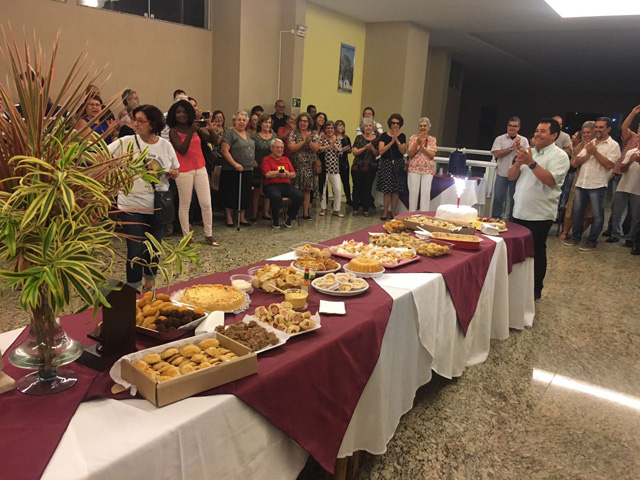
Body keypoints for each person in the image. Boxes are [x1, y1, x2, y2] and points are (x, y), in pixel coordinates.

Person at [108, 104, 180, 291]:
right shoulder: (126, 142)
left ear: (153, 123)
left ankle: (149, 284)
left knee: (154, 248)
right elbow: (102, 156)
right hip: (131, 205)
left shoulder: (165, 145)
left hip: (157, 205)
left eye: (141, 121)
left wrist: (173, 173)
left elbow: (176, 169)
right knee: (135, 249)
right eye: (134, 120)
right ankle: (133, 289)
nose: (136, 124)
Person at [508, 118, 569, 300]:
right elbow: (511, 177)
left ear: (554, 135)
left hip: (540, 213)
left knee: (536, 251)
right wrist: (518, 163)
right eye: (536, 130)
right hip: (519, 210)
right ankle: (515, 286)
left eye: (543, 131)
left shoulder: (559, 156)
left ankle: (535, 290)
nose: (537, 134)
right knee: (516, 251)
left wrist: (531, 163)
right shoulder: (530, 152)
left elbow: (550, 180)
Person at [166, 100, 219, 246]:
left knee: (206, 203)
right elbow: (182, 149)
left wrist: (210, 129)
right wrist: (191, 132)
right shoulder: (173, 131)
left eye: (184, 112)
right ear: (173, 115)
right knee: (185, 204)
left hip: (200, 167)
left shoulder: (195, 128)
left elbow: (214, 140)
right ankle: (186, 236)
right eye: (178, 112)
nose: (181, 115)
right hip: (183, 170)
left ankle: (209, 234)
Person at [565, 117, 621, 250]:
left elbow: (609, 164)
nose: (598, 130)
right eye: (596, 127)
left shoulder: (613, 145)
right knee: (577, 212)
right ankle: (576, 237)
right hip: (582, 183)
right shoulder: (591, 143)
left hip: (598, 185)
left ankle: (591, 241)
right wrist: (589, 154)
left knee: (597, 215)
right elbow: (576, 162)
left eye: (601, 127)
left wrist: (594, 152)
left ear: (608, 129)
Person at [603, 104, 640, 237]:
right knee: (616, 205)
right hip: (621, 175)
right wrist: (633, 113)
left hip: (637, 182)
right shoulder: (632, 137)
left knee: (634, 210)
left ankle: (629, 233)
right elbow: (624, 127)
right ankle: (613, 229)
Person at [558, 121, 596, 240]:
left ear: (594, 132)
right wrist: (587, 155)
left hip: (594, 182)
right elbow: (574, 163)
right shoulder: (580, 146)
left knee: (589, 211)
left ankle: (579, 233)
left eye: (588, 132)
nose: (586, 135)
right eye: (584, 133)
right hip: (578, 180)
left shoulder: (599, 145)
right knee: (571, 207)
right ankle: (565, 231)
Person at [490, 116, 530, 219]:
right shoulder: (500, 139)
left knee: (514, 199)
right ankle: (495, 219)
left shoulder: (524, 140)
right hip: (502, 173)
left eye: (515, 126)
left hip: (517, 174)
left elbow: (527, 155)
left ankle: (512, 220)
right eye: (510, 125)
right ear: (507, 126)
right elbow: (496, 154)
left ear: (518, 128)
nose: (512, 128)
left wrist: (519, 147)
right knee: (498, 197)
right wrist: (512, 148)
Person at [220, 111, 255, 227]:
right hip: (232, 169)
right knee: (231, 193)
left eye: (244, 120)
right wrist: (235, 164)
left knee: (245, 193)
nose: (241, 122)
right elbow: (224, 151)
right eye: (239, 120)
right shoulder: (229, 134)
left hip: (247, 169)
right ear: (234, 121)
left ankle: (242, 217)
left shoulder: (247, 134)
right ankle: (229, 217)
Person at [261, 139, 304, 228]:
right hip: (270, 185)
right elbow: (267, 174)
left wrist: (287, 174)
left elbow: (293, 174)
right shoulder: (266, 159)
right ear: (271, 148)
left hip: (285, 185)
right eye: (277, 147)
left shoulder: (286, 159)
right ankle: (275, 219)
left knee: (300, 196)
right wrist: (278, 173)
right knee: (276, 197)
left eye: (282, 148)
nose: (280, 150)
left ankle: (290, 217)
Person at [288, 112, 320, 220]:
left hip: (309, 167)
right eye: (301, 121)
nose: (303, 123)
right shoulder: (293, 133)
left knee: (307, 189)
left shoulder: (313, 134)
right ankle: (293, 213)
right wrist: (303, 141)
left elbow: (316, 149)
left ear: (309, 122)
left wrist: (308, 140)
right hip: (295, 166)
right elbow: (292, 148)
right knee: (295, 190)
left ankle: (305, 213)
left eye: (305, 121)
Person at [607, 147, 640, 248]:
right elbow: (622, 169)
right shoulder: (631, 151)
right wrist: (630, 161)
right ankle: (615, 234)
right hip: (623, 186)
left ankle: (630, 238)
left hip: (638, 189)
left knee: (635, 216)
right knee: (616, 211)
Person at [377, 113, 407, 220]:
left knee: (396, 190)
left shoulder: (402, 136)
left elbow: (403, 151)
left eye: (397, 123)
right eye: (393, 123)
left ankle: (394, 213)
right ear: (390, 123)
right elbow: (381, 151)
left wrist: (397, 141)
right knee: (387, 190)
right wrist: (391, 142)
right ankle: (385, 212)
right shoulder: (384, 136)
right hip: (386, 163)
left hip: (398, 164)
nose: (395, 125)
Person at [407, 117, 437, 212]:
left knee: (425, 193)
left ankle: (424, 215)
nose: (422, 128)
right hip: (414, 168)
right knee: (413, 193)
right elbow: (410, 154)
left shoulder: (432, 139)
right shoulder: (413, 138)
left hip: (427, 169)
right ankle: (411, 215)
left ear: (429, 127)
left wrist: (423, 148)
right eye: (421, 126)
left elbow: (432, 155)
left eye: (425, 126)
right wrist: (417, 142)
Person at [251, 113, 277, 221]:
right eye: (265, 122)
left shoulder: (274, 136)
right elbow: (251, 151)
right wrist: (253, 161)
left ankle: (265, 212)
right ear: (261, 124)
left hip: (270, 167)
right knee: (256, 190)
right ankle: (254, 213)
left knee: (268, 188)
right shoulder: (255, 137)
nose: (267, 124)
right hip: (257, 166)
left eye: (269, 122)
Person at [351, 118, 379, 216]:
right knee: (356, 188)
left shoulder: (376, 139)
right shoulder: (359, 138)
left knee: (367, 188)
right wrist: (365, 147)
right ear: (363, 127)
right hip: (357, 167)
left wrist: (372, 149)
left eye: (370, 126)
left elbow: (377, 154)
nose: (368, 127)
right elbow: (354, 152)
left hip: (370, 168)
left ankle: (365, 209)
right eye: (366, 126)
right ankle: (355, 208)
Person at [317, 121, 344, 217]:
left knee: (338, 190)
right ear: (325, 129)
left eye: (332, 128)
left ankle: (337, 209)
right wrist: (330, 144)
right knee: (323, 189)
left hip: (334, 168)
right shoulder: (321, 138)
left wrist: (334, 143)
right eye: (328, 128)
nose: (330, 130)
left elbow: (339, 152)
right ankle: (323, 208)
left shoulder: (337, 139)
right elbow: (319, 149)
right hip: (323, 168)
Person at [335, 120, 352, 206]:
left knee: (346, 182)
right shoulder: (333, 137)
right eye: (339, 125)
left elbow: (350, 150)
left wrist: (346, 149)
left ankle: (348, 199)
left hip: (344, 162)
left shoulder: (346, 138)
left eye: (343, 126)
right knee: (335, 183)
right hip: (335, 163)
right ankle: (336, 200)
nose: (341, 127)